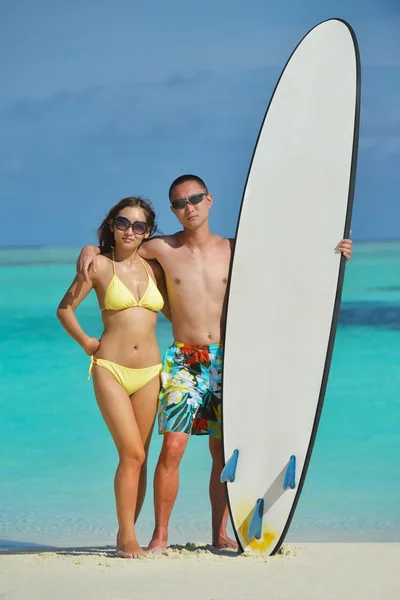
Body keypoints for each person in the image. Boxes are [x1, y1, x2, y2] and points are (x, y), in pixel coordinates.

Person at [77, 175, 353, 552]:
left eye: (194, 198)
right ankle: (160, 535)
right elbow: (118, 250)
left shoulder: (236, 249)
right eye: (179, 202)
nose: (188, 207)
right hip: (184, 359)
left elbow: (284, 268)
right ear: (173, 210)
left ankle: (219, 533)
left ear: (209, 200)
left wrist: (332, 253)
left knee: (223, 452)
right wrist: (89, 247)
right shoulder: (160, 249)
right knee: (172, 448)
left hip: (230, 358)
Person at [57, 196, 170, 558]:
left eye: (138, 226)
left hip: (151, 372)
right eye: (122, 222)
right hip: (111, 370)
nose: (129, 231)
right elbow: (65, 309)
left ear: (147, 232)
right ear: (111, 224)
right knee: (132, 453)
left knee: (141, 457)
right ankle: (126, 539)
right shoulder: (99, 266)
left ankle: (128, 535)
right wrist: (88, 342)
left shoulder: (154, 268)